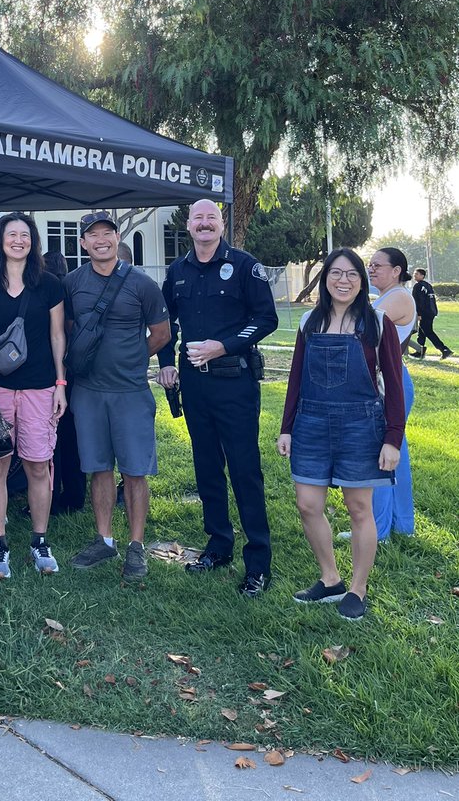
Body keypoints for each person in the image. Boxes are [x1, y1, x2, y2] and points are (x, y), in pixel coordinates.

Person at [159, 199, 278, 597]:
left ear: (222, 224)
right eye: (198, 218)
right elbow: (165, 321)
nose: (205, 223)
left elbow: (266, 319)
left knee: (245, 471)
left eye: (212, 217)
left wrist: (223, 346)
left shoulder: (244, 265)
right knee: (207, 467)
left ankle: (257, 562)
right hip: (194, 385)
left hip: (235, 383)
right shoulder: (177, 270)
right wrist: (166, 361)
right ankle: (218, 545)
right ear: (188, 226)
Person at [278, 248, 404, 621]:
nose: (343, 280)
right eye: (336, 273)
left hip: (361, 426)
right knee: (308, 505)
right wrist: (286, 427)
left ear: (362, 281)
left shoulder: (378, 324)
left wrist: (392, 438)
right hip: (311, 424)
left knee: (359, 508)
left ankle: (357, 588)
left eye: (352, 274)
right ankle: (330, 579)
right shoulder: (308, 323)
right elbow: (295, 379)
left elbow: (394, 387)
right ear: (325, 279)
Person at [65, 212, 170, 583]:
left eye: (107, 233)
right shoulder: (72, 283)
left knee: (135, 470)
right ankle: (104, 539)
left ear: (116, 235)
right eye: (92, 235)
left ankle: (136, 546)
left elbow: (161, 333)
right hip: (89, 390)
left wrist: (132, 358)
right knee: (98, 468)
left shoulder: (142, 284)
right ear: (83, 244)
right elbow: (68, 331)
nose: (100, 240)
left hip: (130, 391)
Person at [0, 213, 67, 579]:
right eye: (12, 234)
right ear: (0, 240)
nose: (19, 240)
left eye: (25, 235)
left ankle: (40, 541)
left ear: (33, 241)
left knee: (39, 464)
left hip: (40, 386)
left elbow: (58, 336)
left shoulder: (50, 285)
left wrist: (60, 383)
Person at [367, 247, 417, 540]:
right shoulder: (387, 297)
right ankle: (402, 524)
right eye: (370, 265)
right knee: (396, 452)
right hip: (392, 379)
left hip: (390, 382)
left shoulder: (398, 296)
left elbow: (360, 326)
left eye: (377, 265)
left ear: (397, 270)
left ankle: (378, 530)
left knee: (382, 453)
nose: (371, 269)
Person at [44, 251, 86, 515]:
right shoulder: (72, 290)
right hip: (74, 371)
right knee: (72, 440)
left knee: (50, 442)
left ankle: (51, 495)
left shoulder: (46, 290)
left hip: (49, 371)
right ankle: (75, 495)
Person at [410, 268, 453, 360]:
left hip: (424, 313)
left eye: (417, 274)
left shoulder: (418, 286)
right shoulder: (428, 285)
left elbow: (418, 301)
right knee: (422, 332)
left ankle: (444, 349)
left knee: (428, 331)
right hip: (431, 312)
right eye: (414, 274)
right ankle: (420, 350)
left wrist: (418, 313)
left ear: (422, 276)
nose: (414, 275)